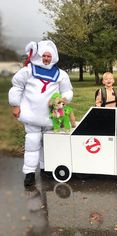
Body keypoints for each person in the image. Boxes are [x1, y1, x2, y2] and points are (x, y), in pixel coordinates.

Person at [8, 40, 73, 187]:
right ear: (38, 55)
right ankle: (29, 173)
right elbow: (16, 87)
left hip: (51, 117)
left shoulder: (60, 74)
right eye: (44, 55)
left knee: (48, 143)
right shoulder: (28, 71)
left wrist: (65, 99)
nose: (46, 58)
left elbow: (67, 90)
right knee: (32, 143)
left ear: (54, 57)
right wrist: (15, 105)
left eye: (49, 56)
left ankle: (46, 168)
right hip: (32, 115)